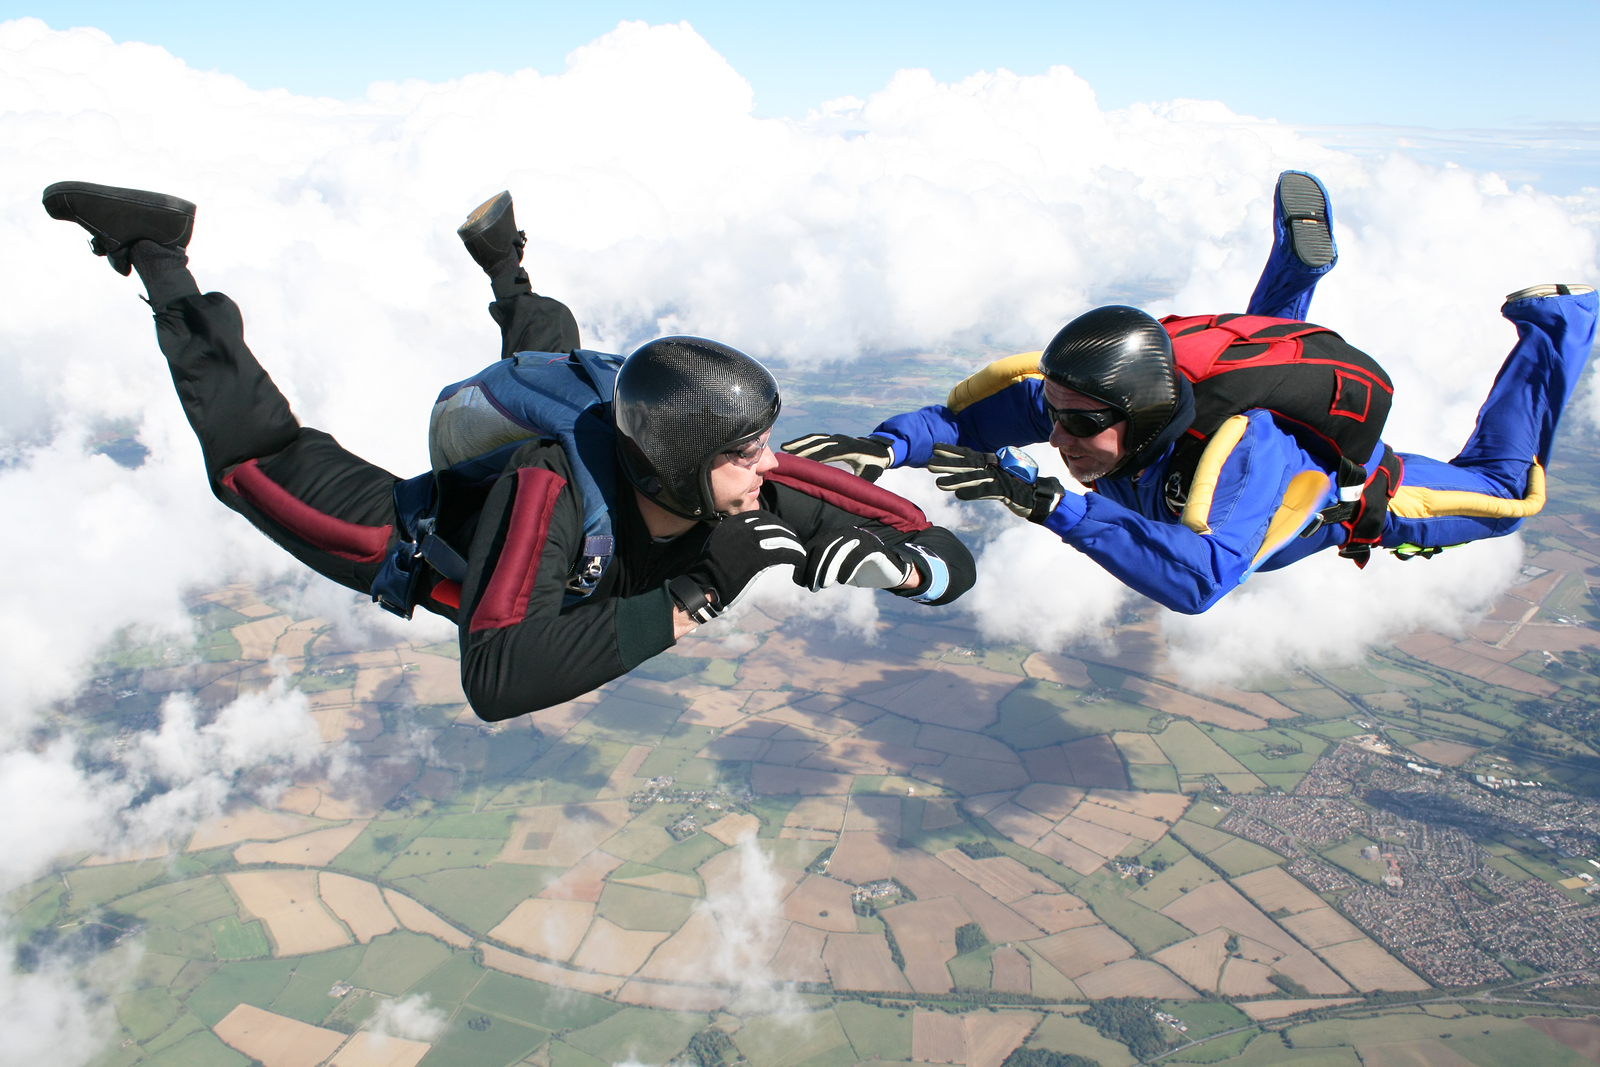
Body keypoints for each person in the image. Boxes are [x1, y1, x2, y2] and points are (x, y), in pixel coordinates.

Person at [44, 182, 976, 719]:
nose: (770, 467)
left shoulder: (742, 484)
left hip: (593, 477)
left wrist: (901, 574)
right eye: (747, 453)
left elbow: (940, 556)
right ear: (684, 464)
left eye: (766, 445)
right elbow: (496, 676)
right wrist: (696, 595)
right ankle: (158, 254)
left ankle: (505, 265)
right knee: (253, 460)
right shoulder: (545, 493)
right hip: (423, 533)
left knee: (554, 362)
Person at [784, 171, 1599, 615]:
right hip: (1211, 440)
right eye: (1057, 415)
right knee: (1254, 348)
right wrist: (886, 444)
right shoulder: (1086, 402)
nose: (1060, 438)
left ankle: (1559, 326)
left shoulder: (1245, 457)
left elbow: (1203, 580)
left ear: (1133, 413)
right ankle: (1297, 273)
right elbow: (957, 421)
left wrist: (1052, 506)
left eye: (1081, 424)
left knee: (1506, 495)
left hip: (1338, 495)